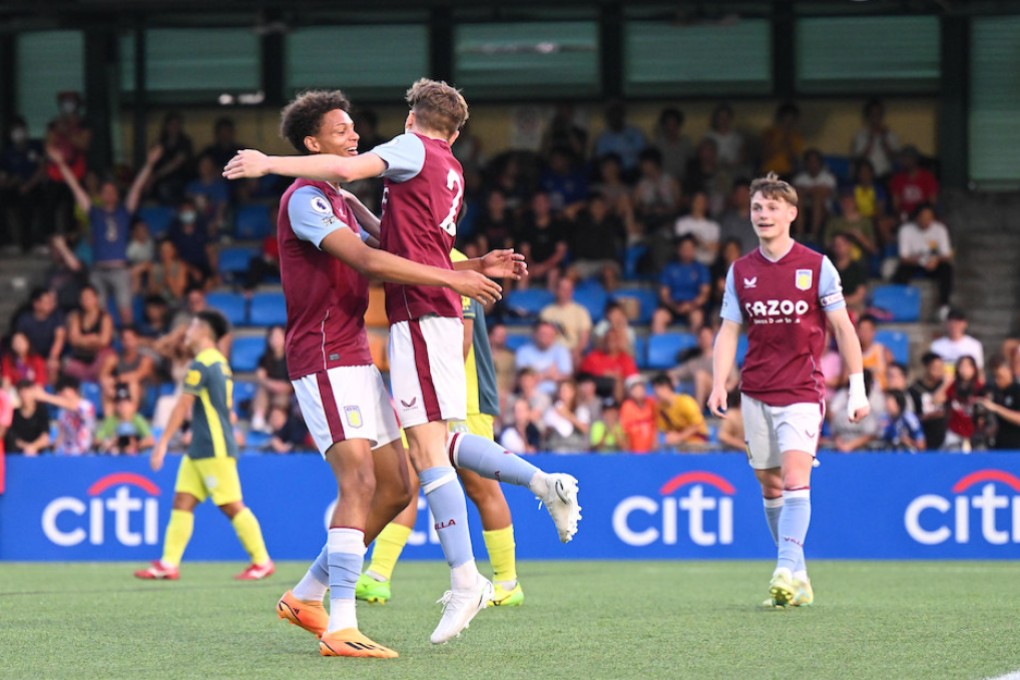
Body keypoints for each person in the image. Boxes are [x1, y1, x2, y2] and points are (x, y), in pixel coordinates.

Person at [223, 86, 577, 650]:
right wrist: (457, 277)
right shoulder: (306, 199)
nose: (356, 136)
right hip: (324, 355)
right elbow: (369, 259)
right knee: (365, 481)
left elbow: (400, 249)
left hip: (359, 352)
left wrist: (468, 265)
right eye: (342, 130)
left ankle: (307, 594)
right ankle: (343, 625)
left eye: (353, 128)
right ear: (314, 144)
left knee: (397, 485)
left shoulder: (342, 199)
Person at [357, 248, 579, 607]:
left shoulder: (453, 259)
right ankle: (377, 576)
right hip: (427, 396)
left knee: (481, 488)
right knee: (403, 482)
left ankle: (507, 581)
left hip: (464, 398)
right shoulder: (416, 256)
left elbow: (462, 339)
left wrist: (445, 399)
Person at [709, 172, 868, 609]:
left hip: (802, 390)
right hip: (755, 391)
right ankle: (799, 575)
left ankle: (782, 568)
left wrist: (857, 387)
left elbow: (843, 328)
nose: (763, 215)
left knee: (797, 478)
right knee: (770, 484)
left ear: (792, 214)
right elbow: (728, 332)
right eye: (757, 208)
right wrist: (719, 382)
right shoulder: (741, 271)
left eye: (772, 207)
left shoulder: (817, 266)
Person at [135, 311, 273, 582]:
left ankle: (262, 561)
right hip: (200, 447)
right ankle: (168, 564)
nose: (188, 330)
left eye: (193, 326)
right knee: (182, 502)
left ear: (204, 331)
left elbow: (183, 405)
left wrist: (162, 443)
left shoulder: (202, 364)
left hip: (213, 447)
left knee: (231, 505)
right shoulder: (219, 362)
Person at [48, 144, 162, 325]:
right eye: (105, 192)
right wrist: (61, 164)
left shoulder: (124, 212)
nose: (109, 194)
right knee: (97, 313)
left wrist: (149, 164)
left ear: (117, 195)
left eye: (112, 191)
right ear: (100, 195)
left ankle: (127, 341)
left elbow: (136, 188)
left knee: (125, 311)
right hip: (98, 270)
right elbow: (75, 188)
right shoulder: (94, 212)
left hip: (120, 269)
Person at [892, 204, 954, 314]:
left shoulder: (940, 229)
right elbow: (903, 257)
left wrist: (935, 260)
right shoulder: (906, 230)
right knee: (901, 271)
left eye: (929, 218)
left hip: (934, 263)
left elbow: (947, 255)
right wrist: (921, 262)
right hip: (913, 263)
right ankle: (900, 303)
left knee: (947, 269)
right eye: (923, 217)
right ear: (917, 217)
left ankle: (944, 306)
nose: (926, 221)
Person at [652, 235, 710, 335]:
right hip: (673, 306)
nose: (687, 251)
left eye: (690, 248)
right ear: (678, 250)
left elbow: (704, 294)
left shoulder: (701, 269)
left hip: (693, 307)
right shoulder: (669, 268)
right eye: (684, 248)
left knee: (697, 317)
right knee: (658, 317)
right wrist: (675, 306)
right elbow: (664, 294)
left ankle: (692, 345)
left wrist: (690, 306)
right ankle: (661, 344)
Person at [62, 284, 115, 383]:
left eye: (89, 297)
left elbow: (104, 341)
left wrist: (82, 340)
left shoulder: (105, 317)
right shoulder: (76, 316)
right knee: (66, 365)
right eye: (83, 298)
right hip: (80, 356)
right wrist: (93, 339)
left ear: (96, 299)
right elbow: (73, 340)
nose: (86, 300)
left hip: (98, 356)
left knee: (110, 359)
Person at [33, 374, 96, 455]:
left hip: (84, 454)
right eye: (59, 393)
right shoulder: (63, 412)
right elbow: (61, 435)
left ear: (73, 390)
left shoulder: (87, 405)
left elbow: (72, 405)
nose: (60, 395)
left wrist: (45, 396)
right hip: (66, 455)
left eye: (62, 391)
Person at [14, 287, 66, 384]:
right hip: (30, 355)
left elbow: (59, 338)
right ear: (36, 304)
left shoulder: (57, 316)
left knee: (53, 365)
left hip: (49, 355)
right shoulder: (24, 319)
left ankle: (49, 390)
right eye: (46, 302)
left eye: (51, 301)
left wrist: (52, 357)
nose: (50, 304)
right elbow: (19, 340)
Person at [539, 277, 592, 365]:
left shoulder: (580, 311)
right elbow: (541, 336)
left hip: (572, 351)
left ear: (572, 292)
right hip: (550, 352)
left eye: (568, 289)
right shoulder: (547, 312)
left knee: (579, 361)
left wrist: (575, 352)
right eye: (562, 289)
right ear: (556, 290)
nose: (565, 292)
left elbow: (584, 338)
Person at [250, 325, 291, 433]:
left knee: (281, 395)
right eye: (273, 337)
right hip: (267, 393)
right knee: (261, 390)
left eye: (279, 336)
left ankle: (274, 423)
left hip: (285, 396)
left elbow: (289, 386)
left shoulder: (291, 359)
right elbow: (260, 379)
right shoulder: (263, 359)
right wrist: (274, 385)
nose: (276, 340)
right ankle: (258, 419)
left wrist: (269, 383)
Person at [515, 320, 574, 396]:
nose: (547, 337)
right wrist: (548, 375)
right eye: (543, 334)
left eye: (550, 334)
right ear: (535, 334)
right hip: (531, 395)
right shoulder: (523, 352)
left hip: (556, 395)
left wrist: (536, 376)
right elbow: (523, 380)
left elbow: (566, 378)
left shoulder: (561, 351)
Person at [651, 373, 709, 450]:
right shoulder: (661, 408)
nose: (655, 394)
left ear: (665, 387)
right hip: (680, 444)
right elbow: (664, 429)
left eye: (656, 391)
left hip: (697, 440)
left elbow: (697, 425)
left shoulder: (685, 401)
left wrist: (679, 437)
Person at [851, 98, 900, 180]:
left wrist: (884, 140)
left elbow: (895, 159)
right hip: (866, 177)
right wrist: (870, 141)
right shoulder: (860, 136)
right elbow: (858, 160)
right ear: (868, 116)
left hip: (885, 176)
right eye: (872, 115)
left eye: (878, 114)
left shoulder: (891, 135)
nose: (876, 118)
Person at [945, 355, 985, 451]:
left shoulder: (981, 387)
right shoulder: (952, 387)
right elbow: (936, 400)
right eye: (962, 366)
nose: (965, 369)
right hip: (954, 431)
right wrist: (947, 382)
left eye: (968, 366)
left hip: (975, 433)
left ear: (974, 369)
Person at [889, 146, 939, 221]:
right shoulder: (898, 178)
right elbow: (896, 204)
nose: (904, 161)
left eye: (907, 158)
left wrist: (926, 214)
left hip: (923, 215)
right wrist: (900, 215)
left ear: (915, 160)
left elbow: (933, 202)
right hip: (905, 215)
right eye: (903, 158)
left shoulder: (928, 177)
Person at [981, 357, 1020, 450]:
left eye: (1000, 376)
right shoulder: (991, 391)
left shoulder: (1017, 391)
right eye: (994, 376)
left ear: (1009, 370)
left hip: (1016, 447)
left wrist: (996, 408)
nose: (997, 380)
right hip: (996, 446)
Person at [4, 380, 51, 455]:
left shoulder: (42, 413)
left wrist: (34, 447)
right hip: (16, 454)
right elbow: (12, 437)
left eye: (27, 392)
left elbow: (45, 437)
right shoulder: (13, 414)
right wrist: (26, 447)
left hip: (38, 455)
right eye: (21, 392)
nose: (24, 395)